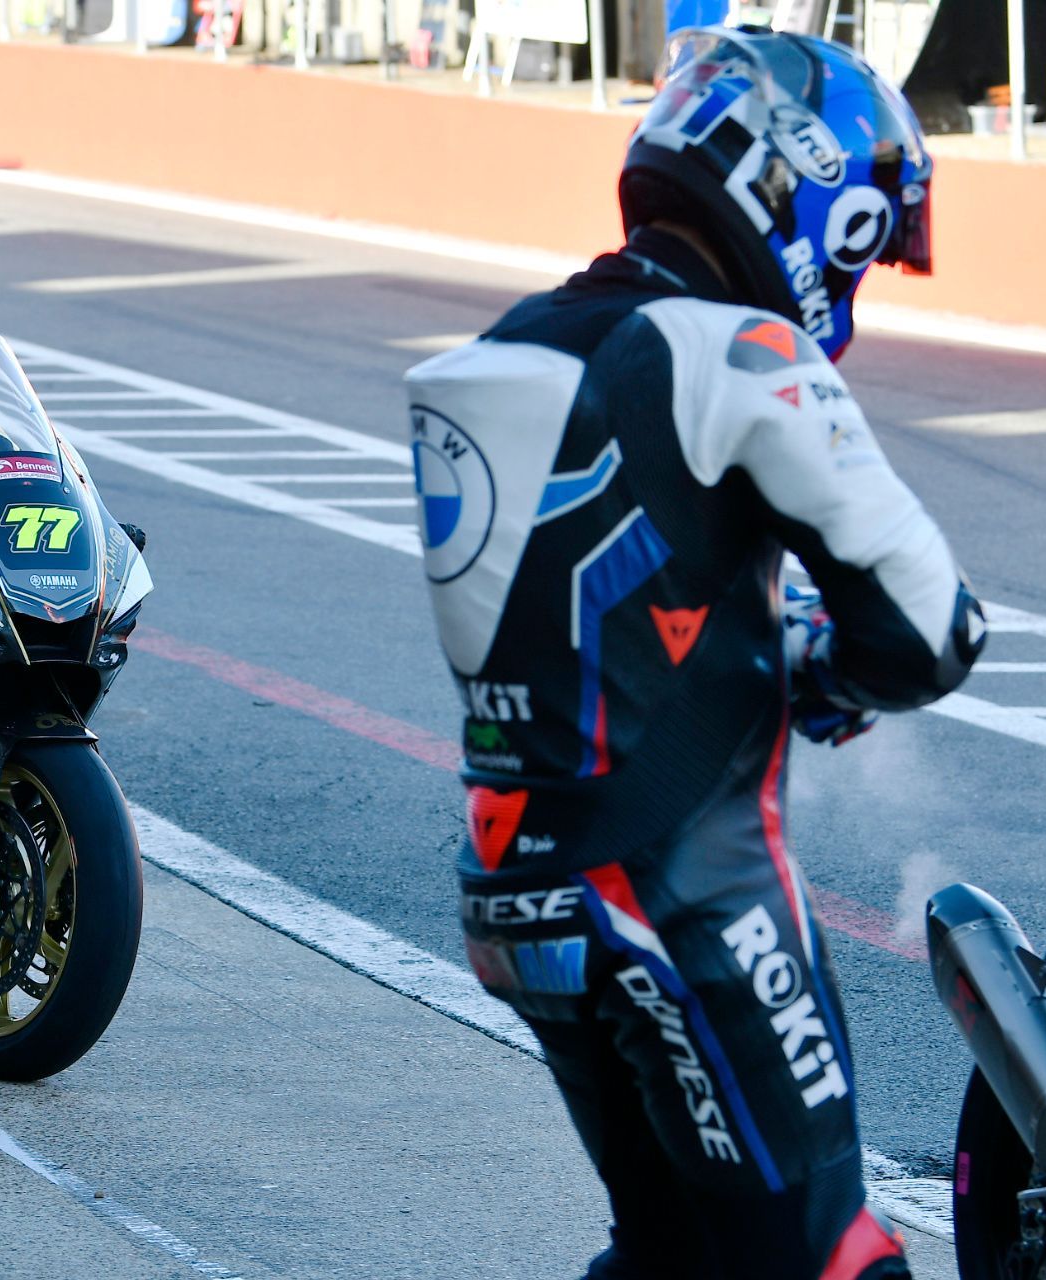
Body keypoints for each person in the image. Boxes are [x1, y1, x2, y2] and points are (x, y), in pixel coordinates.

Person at [405, 29, 984, 1280]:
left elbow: (613, 593)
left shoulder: (511, 344)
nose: (863, 278)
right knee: (834, 1256)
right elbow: (935, 628)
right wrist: (824, 677)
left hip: (517, 889)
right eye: (868, 243)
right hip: (685, 895)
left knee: (670, 1256)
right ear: (811, 196)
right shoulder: (735, 351)